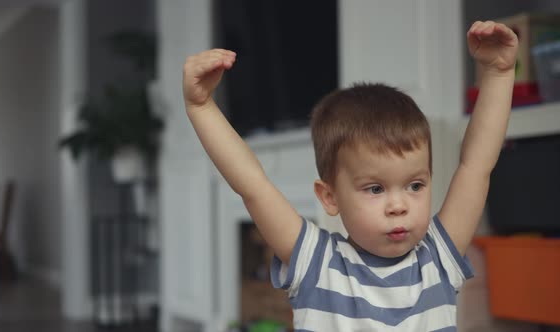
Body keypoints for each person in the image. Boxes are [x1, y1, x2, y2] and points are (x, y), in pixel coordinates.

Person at [182, 20, 518, 331]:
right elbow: (252, 185)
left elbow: (476, 166)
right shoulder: (317, 262)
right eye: (375, 189)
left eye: (415, 185)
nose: (398, 205)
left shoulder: (438, 258)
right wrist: (201, 108)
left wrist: (499, 75)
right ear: (330, 197)